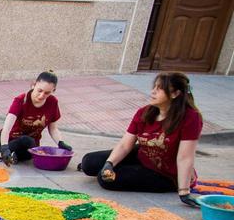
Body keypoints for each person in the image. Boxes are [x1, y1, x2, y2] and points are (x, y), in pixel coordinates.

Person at [78, 72, 203, 208]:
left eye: (159, 88)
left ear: (175, 94)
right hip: (143, 155)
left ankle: (159, 179)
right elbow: (125, 145)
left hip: (165, 173)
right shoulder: (145, 112)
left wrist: (184, 191)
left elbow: (185, 157)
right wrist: (109, 163)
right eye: (154, 87)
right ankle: (118, 167)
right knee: (88, 162)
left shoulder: (190, 117)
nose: (153, 92)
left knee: (106, 180)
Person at [0, 71, 69, 166]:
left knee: (27, 141)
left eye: (47, 93)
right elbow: (7, 128)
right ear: (34, 85)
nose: (42, 95)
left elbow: (53, 128)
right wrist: (4, 147)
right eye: (39, 90)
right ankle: (1, 154)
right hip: (8, 139)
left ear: (53, 91)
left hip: (27, 144)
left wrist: (60, 142)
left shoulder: (53, 102)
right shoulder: (21, 100)